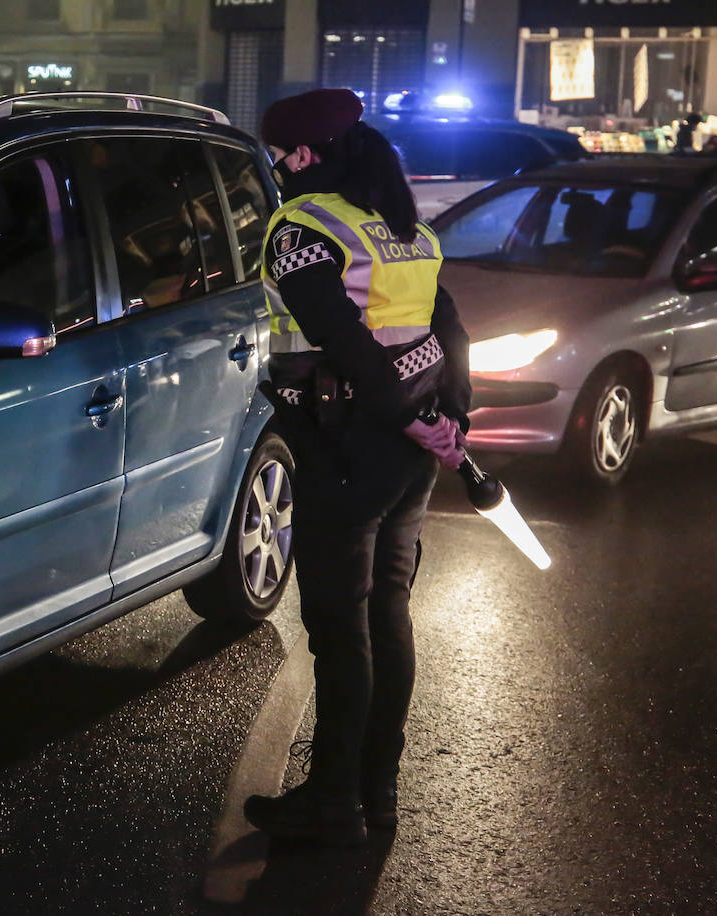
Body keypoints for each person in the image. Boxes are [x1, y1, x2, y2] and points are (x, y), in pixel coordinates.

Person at [242, 88, 472, 847]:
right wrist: (449, 420)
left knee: (340, 630)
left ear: (304, 155)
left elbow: (340, 336)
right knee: (387, 617)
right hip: (408, 456)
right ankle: (378, 793)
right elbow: (449, 328)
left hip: (345, 446)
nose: (276, 165)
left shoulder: (302, 227)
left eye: (279, 152)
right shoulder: (403, 229)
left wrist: (407, 415)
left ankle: (334, 804)